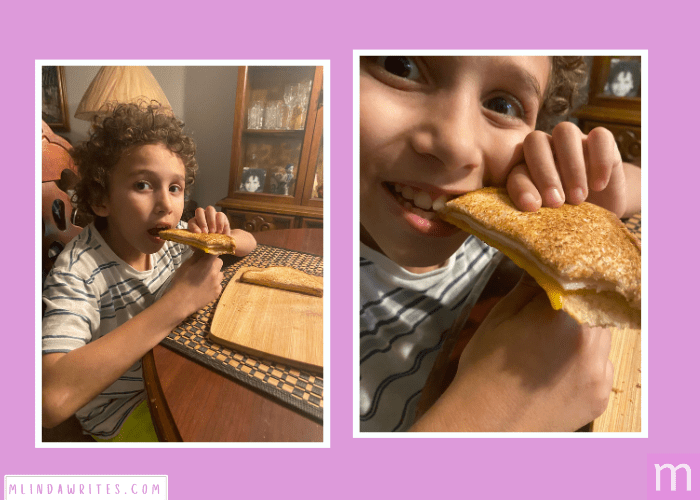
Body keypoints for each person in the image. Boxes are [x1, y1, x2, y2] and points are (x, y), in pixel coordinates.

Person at [359, 56, 642, 432]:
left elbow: (645, 181)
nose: (456, 144)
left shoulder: (497, 222)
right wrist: (488, 420)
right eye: (401, 67)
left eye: (501, 106)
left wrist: (586, 194)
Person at [42, 102, 257, 441]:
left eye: (176, 187)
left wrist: (221, 236)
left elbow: (250, 242)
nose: (166, 205)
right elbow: (50, 402)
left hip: (176, 370)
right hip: (123, 412)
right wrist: (178, 302)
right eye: (143, 185)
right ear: (101, 199)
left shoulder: (171, 238)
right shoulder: (78, 272)